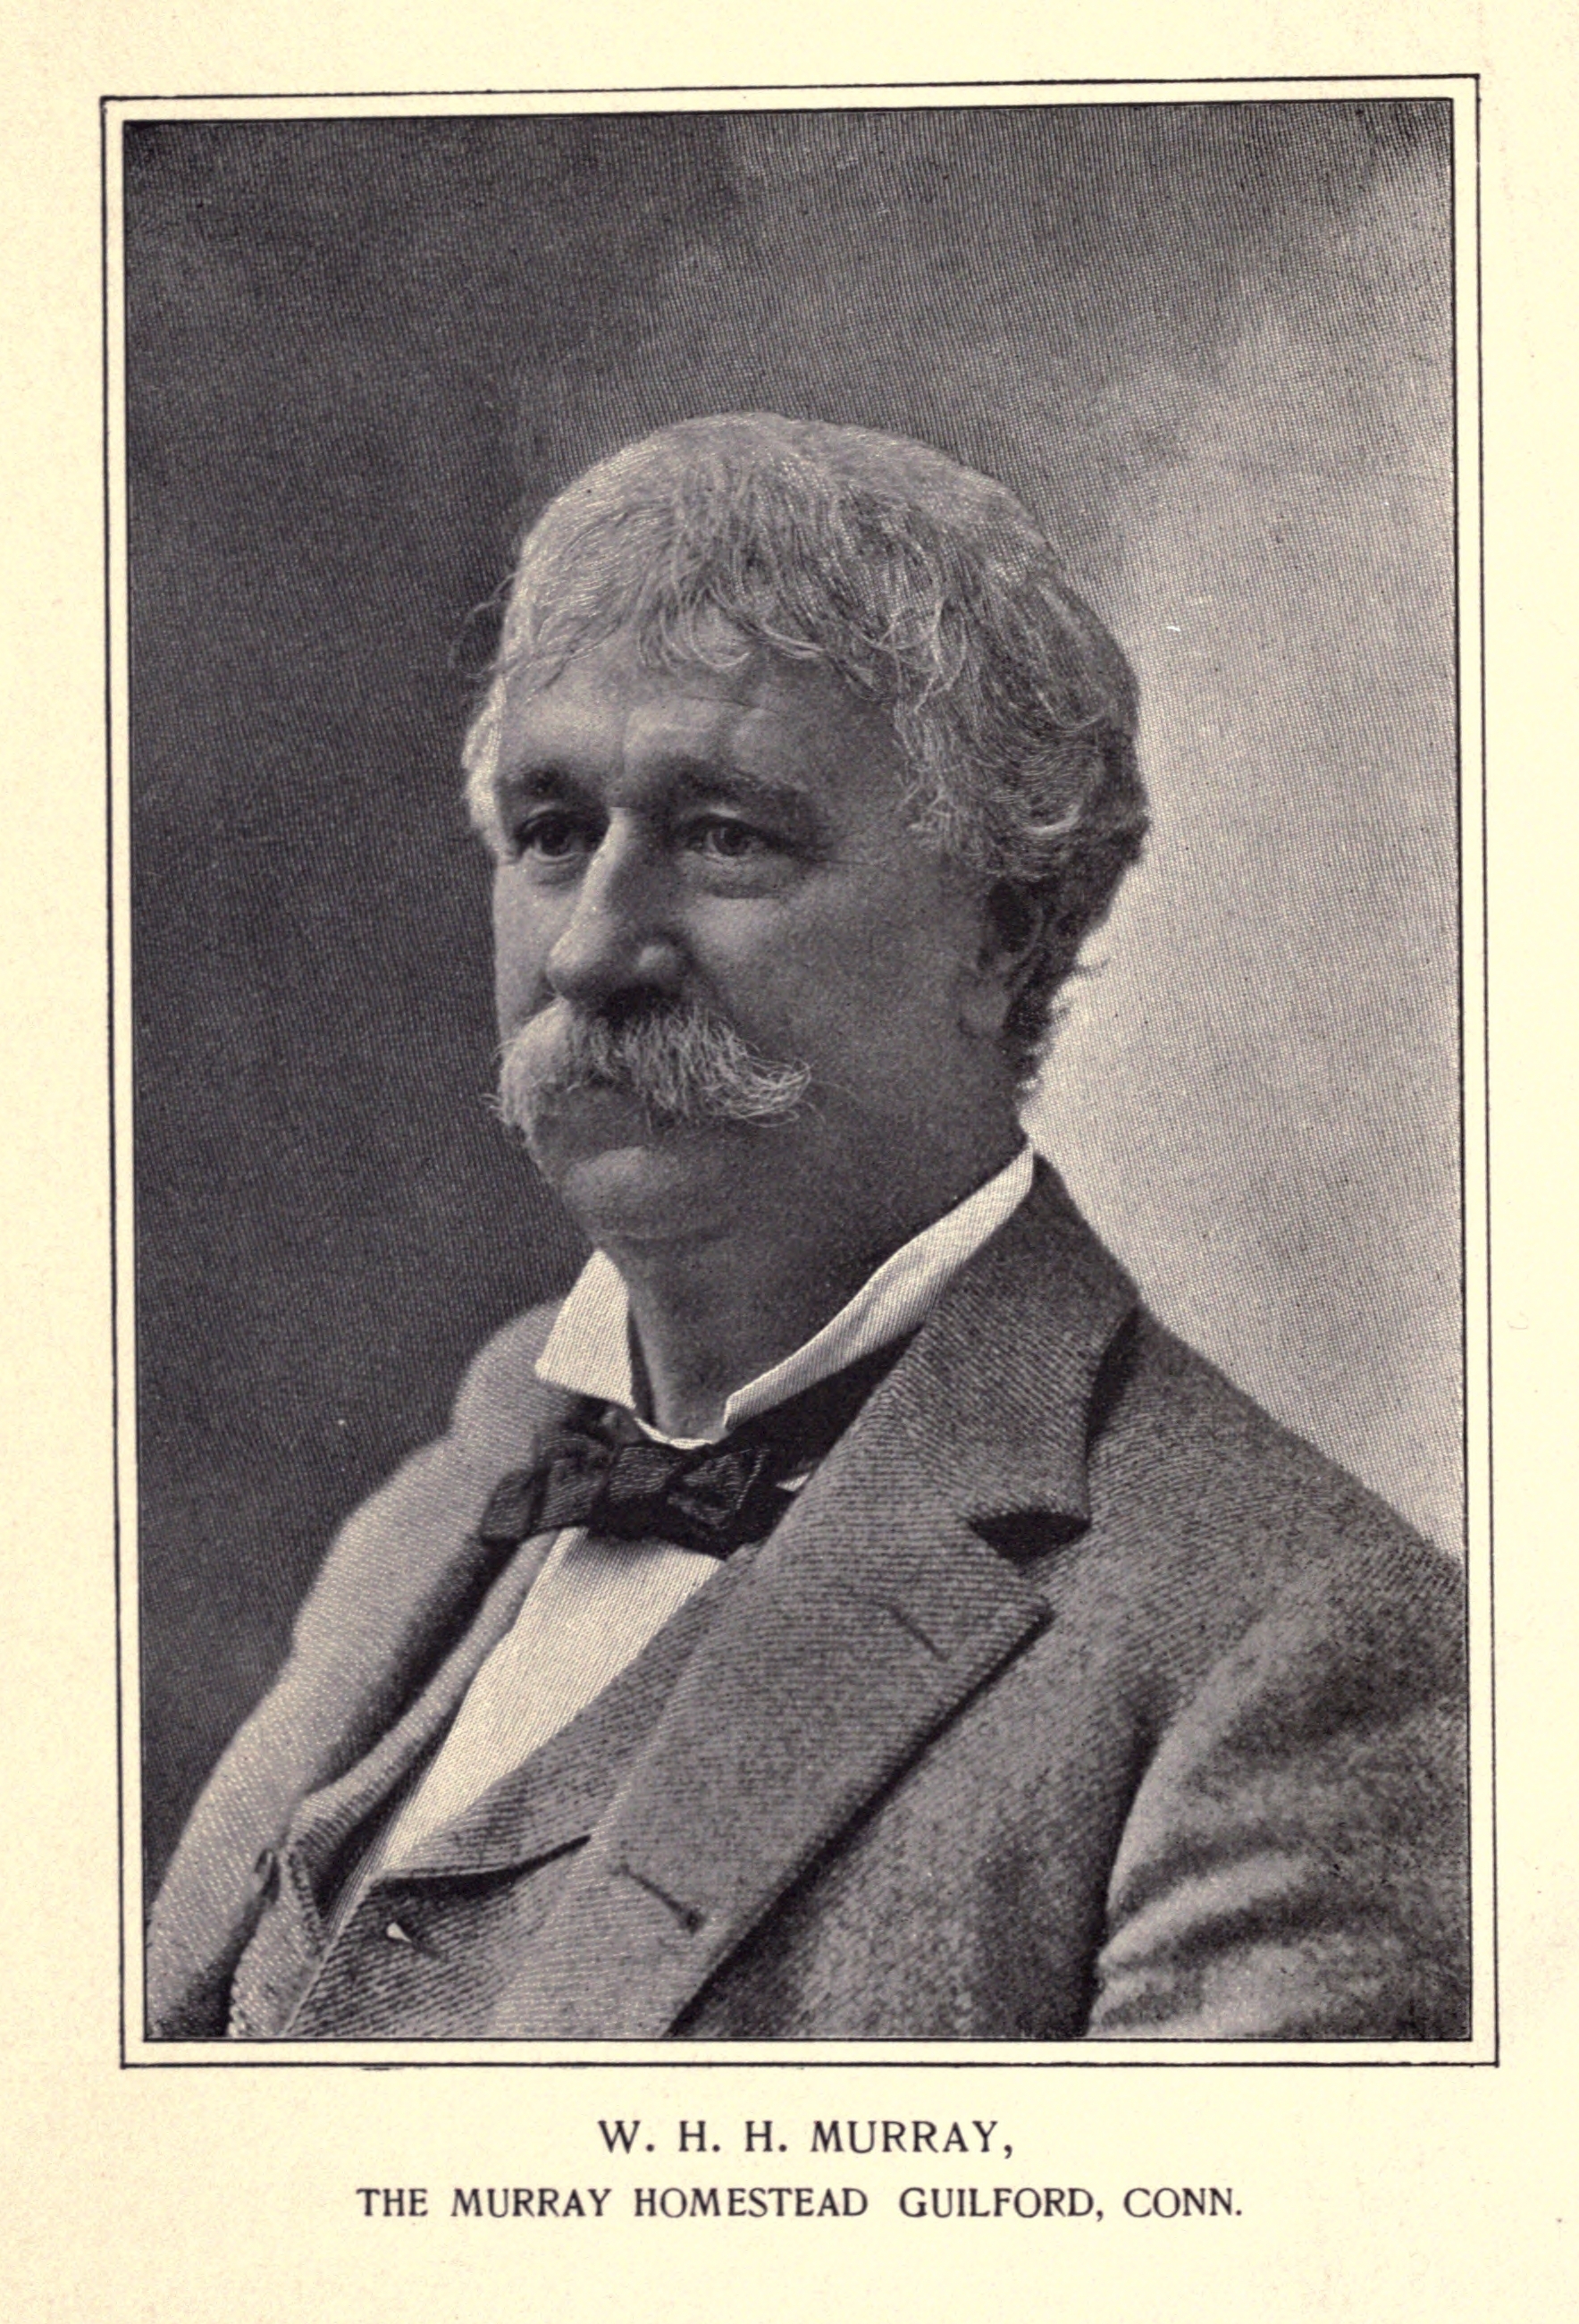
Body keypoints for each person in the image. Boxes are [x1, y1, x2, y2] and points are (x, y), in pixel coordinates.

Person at [147, 414, 1469, 2042]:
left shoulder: (1295, 1648)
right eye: (552, 833)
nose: (591, 953)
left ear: (1006, 928)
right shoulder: (465, 1468)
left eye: (726, 839)